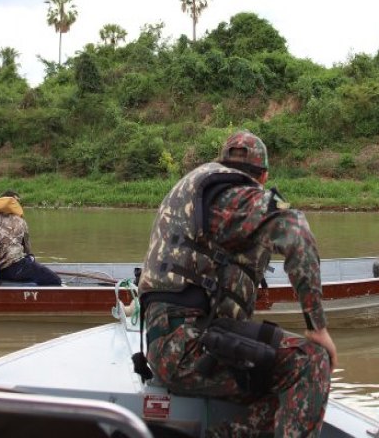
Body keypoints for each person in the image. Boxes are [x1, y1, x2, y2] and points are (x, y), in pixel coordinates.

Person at [136, 130, 337, 437]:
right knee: (312, 362)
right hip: (190, 347)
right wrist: (317, 328)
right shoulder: (240, 196)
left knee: (282, 387)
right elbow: (296, 229)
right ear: (264, 176)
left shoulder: (198, 189)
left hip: (166, 344)